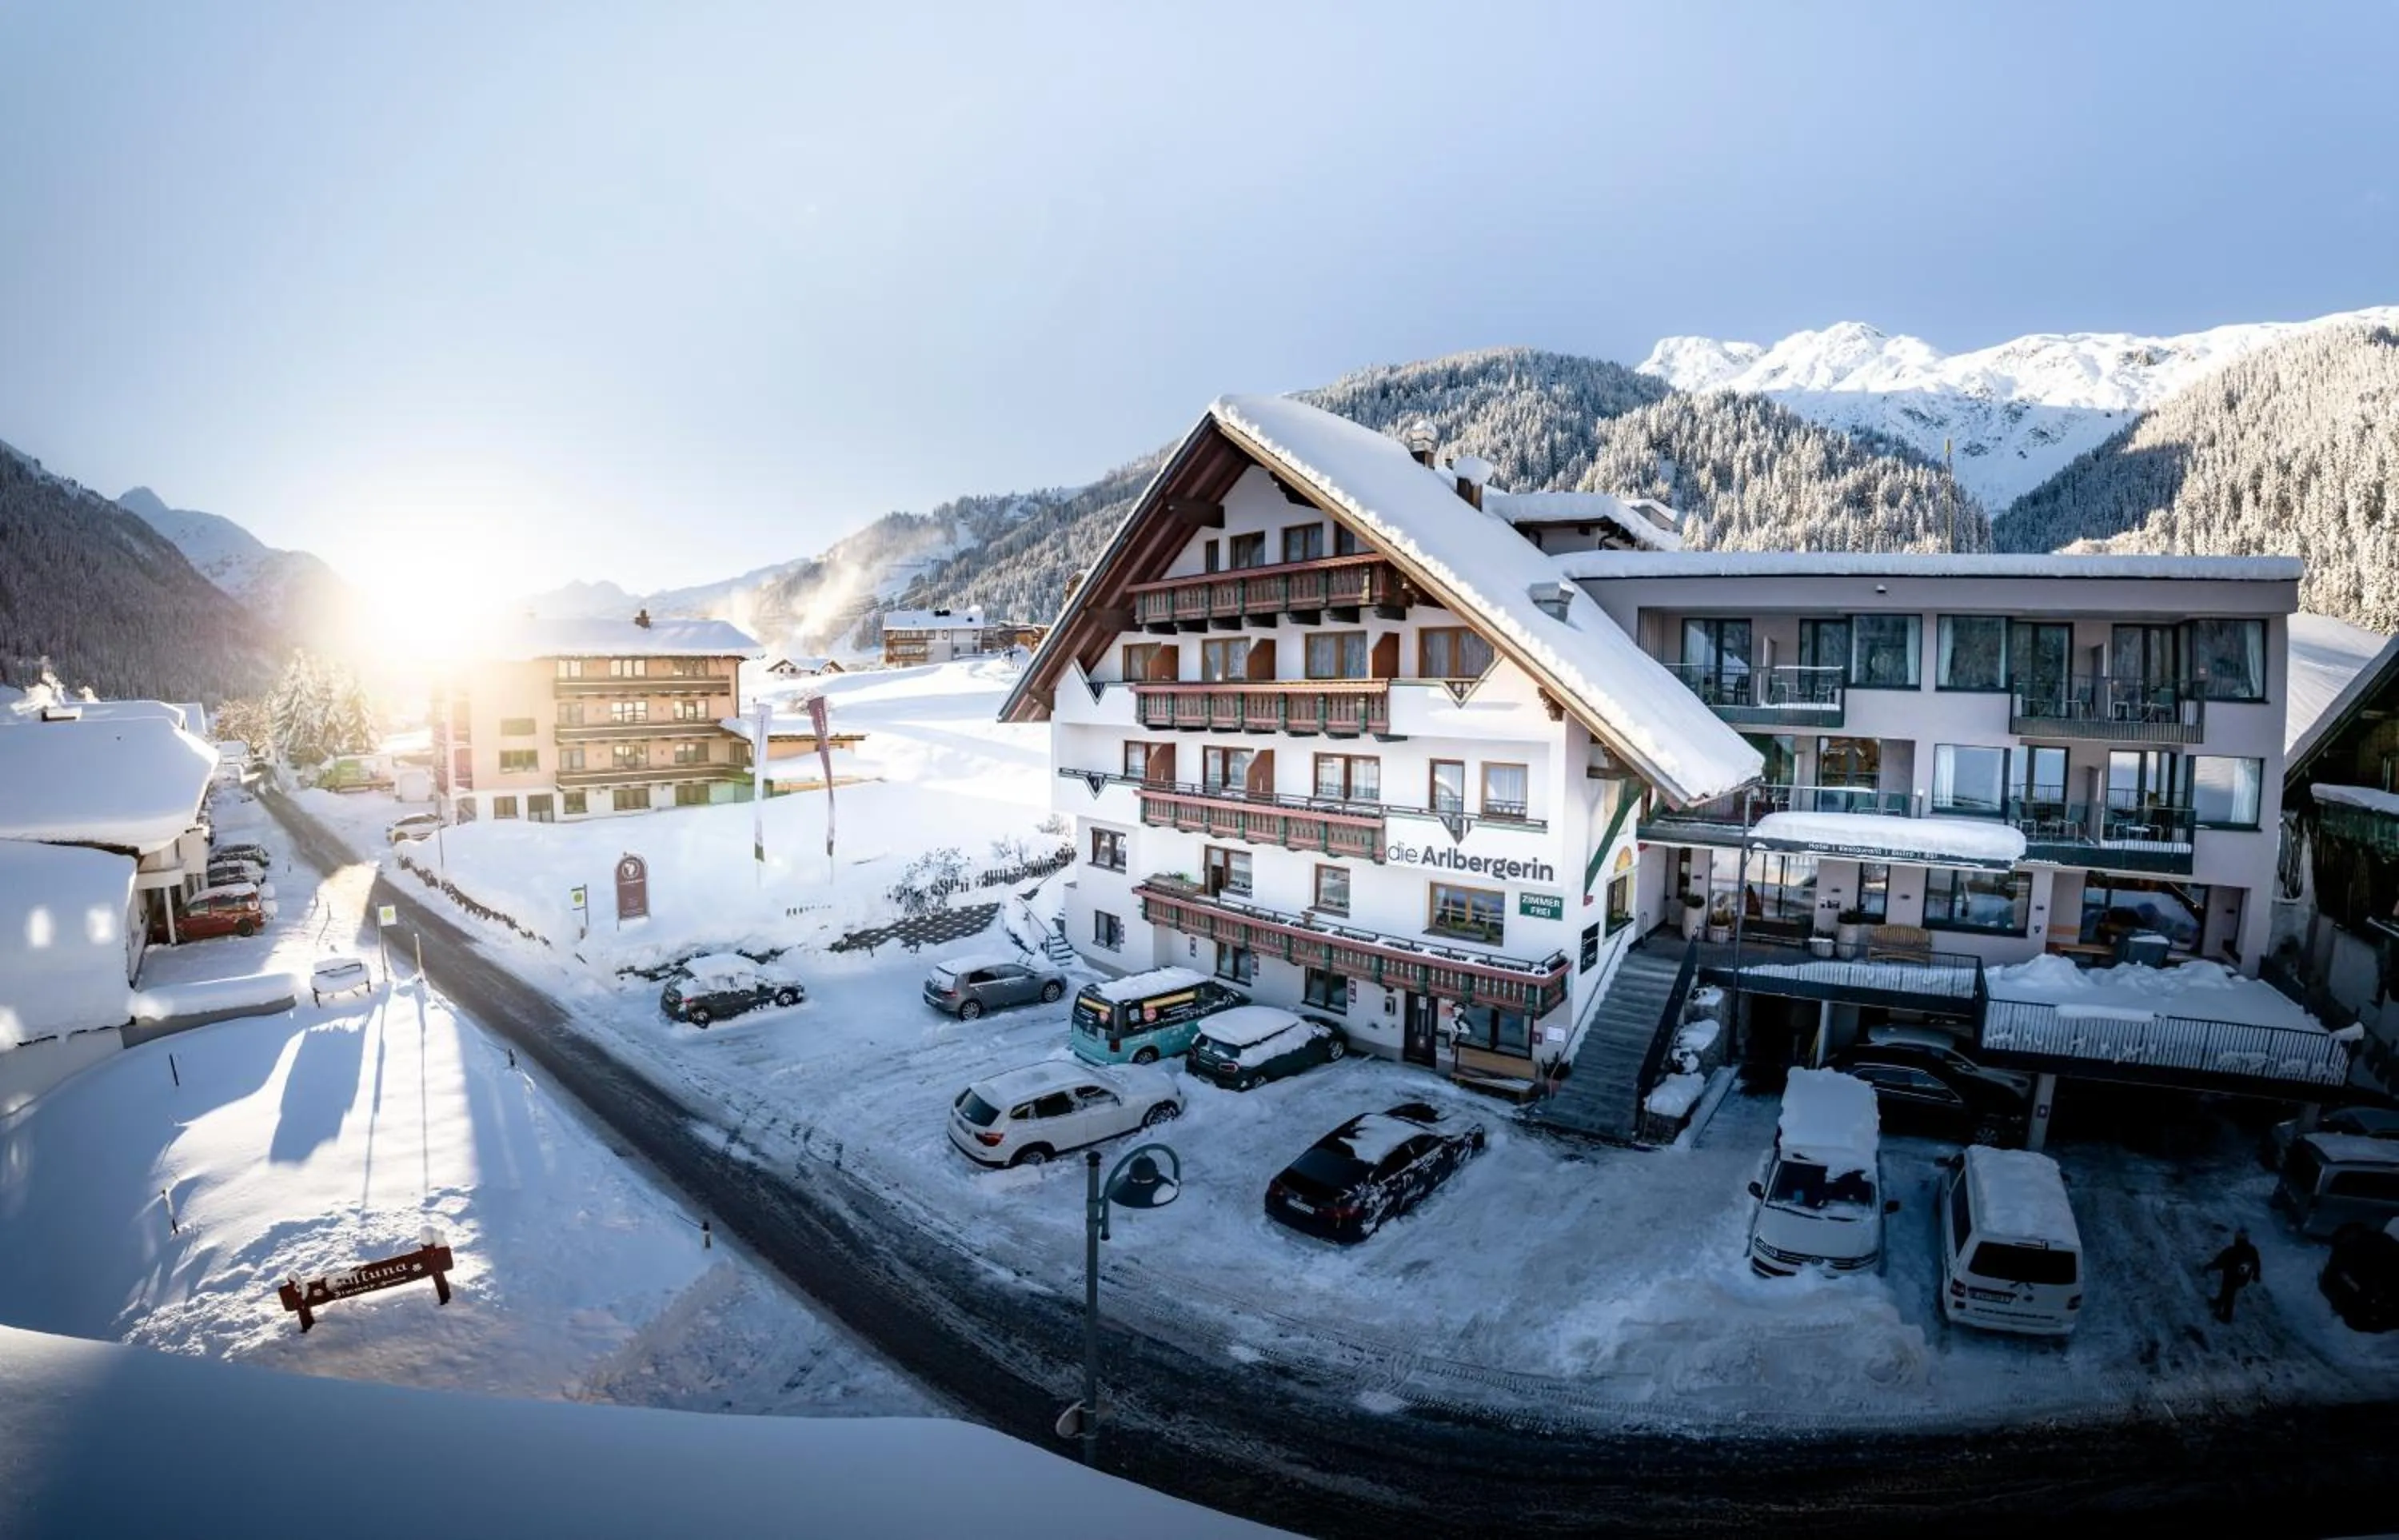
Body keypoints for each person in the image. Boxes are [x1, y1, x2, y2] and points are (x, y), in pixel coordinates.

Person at [2204, 1228, 2263, 1323]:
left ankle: (2226, 1317)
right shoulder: (2252, 1250)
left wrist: (2208, 1267)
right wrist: (2256, 1275)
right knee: (2228, 1290)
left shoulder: (2231, 1251)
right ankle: (2219, 1302)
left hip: (2232, 1277)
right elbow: (2257, 1263)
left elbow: (2219, 1263)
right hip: (2244, 1278)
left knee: (2229, 1293)